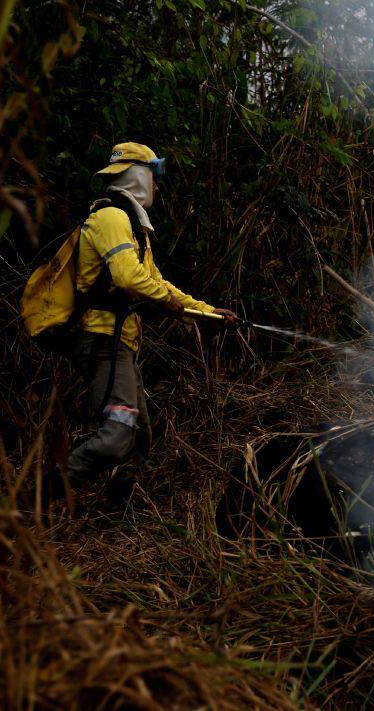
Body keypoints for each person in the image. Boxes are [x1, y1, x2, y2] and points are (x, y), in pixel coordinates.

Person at [54, 142, 238, 499]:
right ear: (138, 175)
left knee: (140, 439)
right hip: (102, 339)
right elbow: (127, 277)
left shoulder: (130, 225)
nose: (157, 186)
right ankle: (41, 495)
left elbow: (154, 281)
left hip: (120, 341)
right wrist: (164, 300)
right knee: (118, 437)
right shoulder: (110, 217)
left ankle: (117, 511)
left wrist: (206, 311)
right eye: (154, 177)